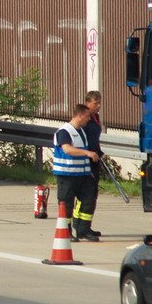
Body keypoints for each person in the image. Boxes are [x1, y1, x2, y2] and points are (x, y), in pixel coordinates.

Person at [53, 104, 100, 242]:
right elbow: (68, 149)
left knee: (88, 200)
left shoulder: (81, 131)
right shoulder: (64, 131)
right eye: (87, 117)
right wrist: (87, 153)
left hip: (83, 174)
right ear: (79, 115)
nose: (88, 120)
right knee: (66, 204)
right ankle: (65, 231)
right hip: (67, 175)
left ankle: (83, 230)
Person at [75, 90, 104, 239]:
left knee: (92, 194)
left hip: (95, 158)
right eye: (95, 103)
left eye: (99, 102)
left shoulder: (96, 118)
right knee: (87, 194)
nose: (98, 106)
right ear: (87, 103)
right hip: (86, 160)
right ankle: (81, 227)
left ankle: (85, 226)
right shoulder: (85, 120)